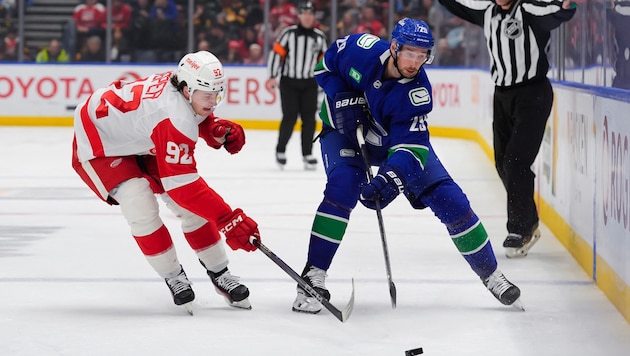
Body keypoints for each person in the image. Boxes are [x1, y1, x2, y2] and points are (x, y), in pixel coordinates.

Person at [292, 18, 522, 314]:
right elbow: (324, 67)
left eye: (421, 55)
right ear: (394, 47)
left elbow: (410, 150)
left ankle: (492, 275)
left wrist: (391, 179)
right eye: (409, 53)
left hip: (391, 144)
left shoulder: (417, 94)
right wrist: (339, 95)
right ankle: (313, 275)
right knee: (343, 187)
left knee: (451, 201)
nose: (415, 62)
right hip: (343, 132)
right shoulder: (360, 49)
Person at [71, 51, 261, 311]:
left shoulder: (182, 92)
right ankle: (174, 276)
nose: (213, 101)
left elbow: (192, 116)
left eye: (217, 94)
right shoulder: (173, 116)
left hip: (138, 136)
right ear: (185, 90)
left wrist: (212, 127)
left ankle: (219, 273)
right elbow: (183, 188)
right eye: (207, 95)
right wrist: (227, 220)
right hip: (100, 145)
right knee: (140, 204)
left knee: (191, 209)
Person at [437, 0, 576, 258]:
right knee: (503, 163)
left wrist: (566, 6)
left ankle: (520, 228)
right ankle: (530, 220)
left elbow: (555, 12)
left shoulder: (528, 9)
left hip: (532, 93)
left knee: (516, 161)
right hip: (502, 95)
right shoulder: (487, 11)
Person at [267, 1, 327, 170]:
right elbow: (276, 54)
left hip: (309, 83)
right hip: (289, 82)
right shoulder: (288, 34)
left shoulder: (320, 37)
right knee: (290, 117)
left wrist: (324, 83)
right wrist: (272, 76)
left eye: (310, 13)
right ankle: (280, 150)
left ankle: (307, 154)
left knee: (309, 120)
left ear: (313, 16)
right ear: (299, 15)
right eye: (304, 13)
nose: (307, 17)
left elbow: (322, 62)